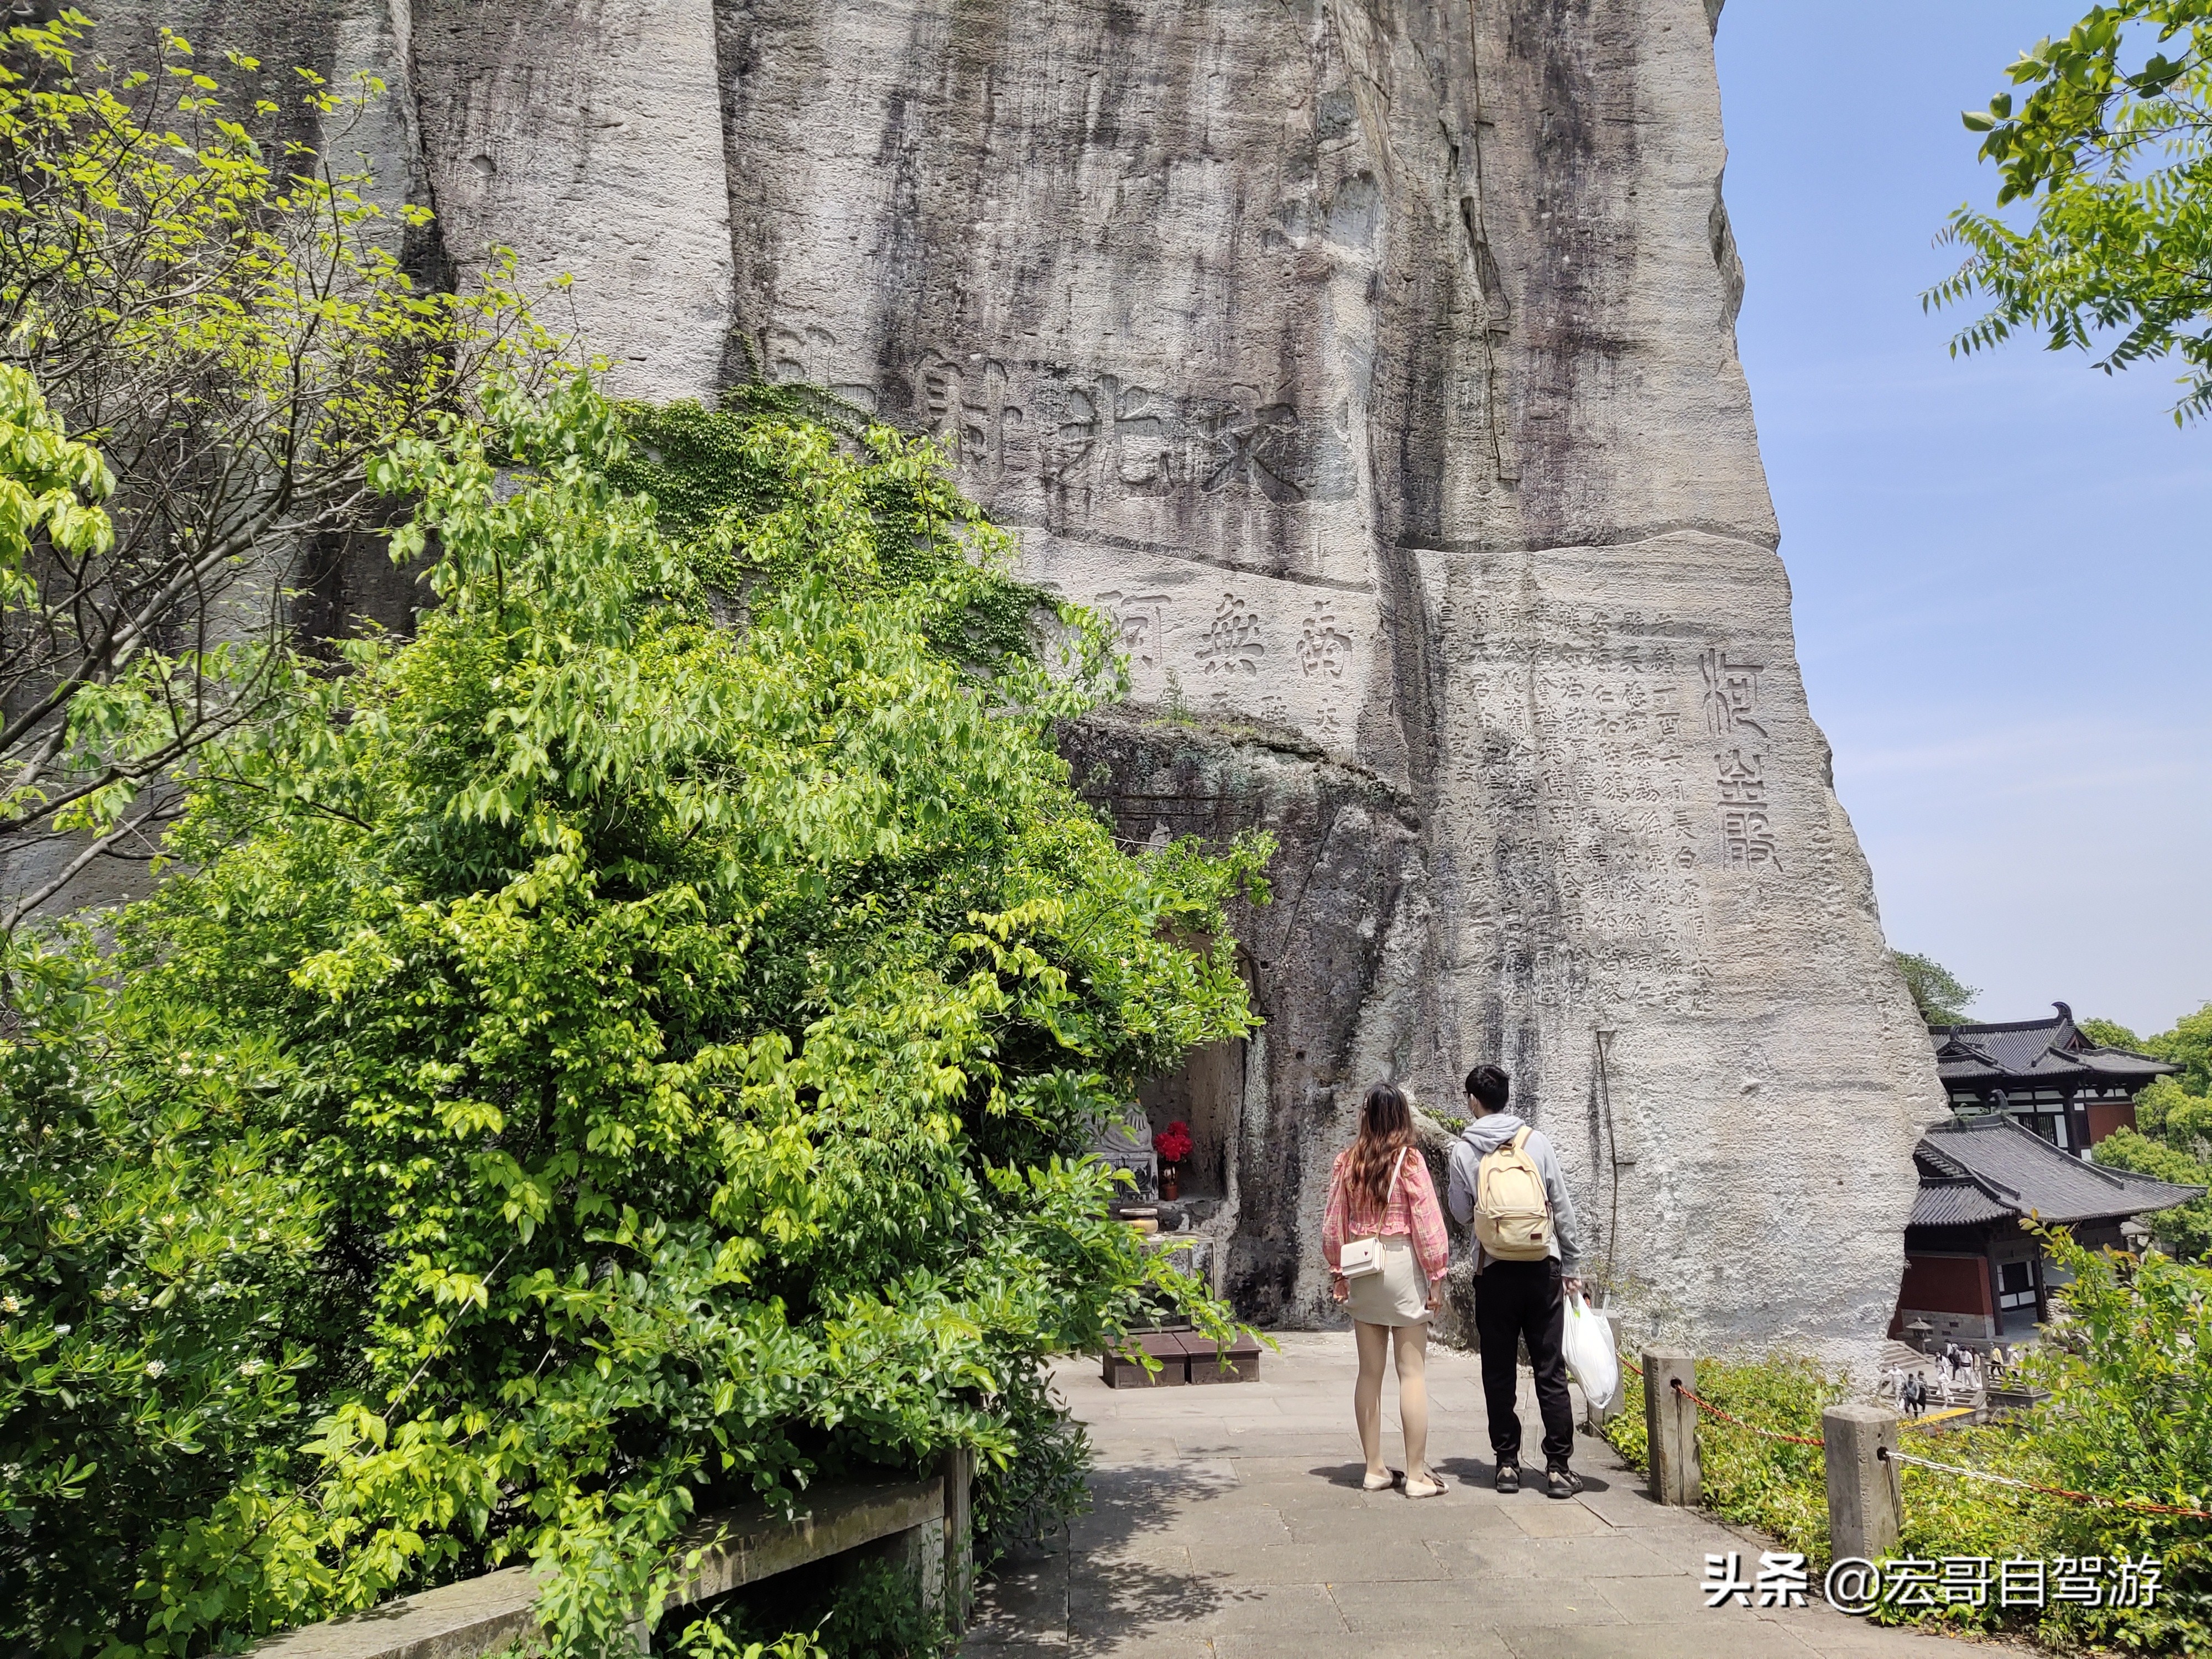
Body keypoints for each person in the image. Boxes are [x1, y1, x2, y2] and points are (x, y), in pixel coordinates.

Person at [1447, 1064, 1586, 1499]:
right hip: (1542, 1267)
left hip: (1494, 1269)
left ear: (1473, 1101)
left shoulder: (1464, 1151)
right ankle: (1559, 1468)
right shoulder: (1536, 1142)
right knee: (1550, 1369)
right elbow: (1560, 1206)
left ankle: (1507, 1464)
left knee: (1499, 1370)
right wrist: (1572, 1266)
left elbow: (1461, 1213)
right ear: (1507, 1098)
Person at [1322, 1081, 1451, 1499]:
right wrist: (1436, 1278)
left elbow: (1332, 1226)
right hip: (1401, 1264)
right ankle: (1416, 1475)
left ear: (1366, 1115)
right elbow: (1429, 1226)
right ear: (1401, 1116)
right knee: (1412, 1373)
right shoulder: (1409, 1162)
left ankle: (1374, 1468)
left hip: (1363, 1266)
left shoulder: (1348, 1162)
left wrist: (1338, 1271)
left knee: (1369, 1373)